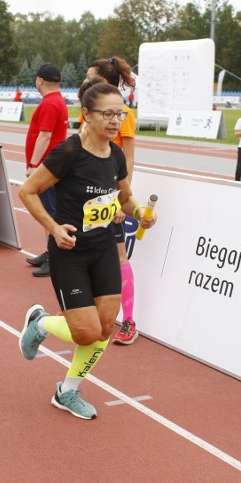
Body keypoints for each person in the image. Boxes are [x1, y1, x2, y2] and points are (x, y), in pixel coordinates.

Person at [18, 79, 157, 419]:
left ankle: (68, 391)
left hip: (104, 248)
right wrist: (53, 227)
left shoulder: (116, 156)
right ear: (86, 116)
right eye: (107, 113)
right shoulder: (69, 153)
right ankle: (39, 324)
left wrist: (138, 212)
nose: (115, 120)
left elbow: (124, 197)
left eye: (120, 114)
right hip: (71, 253)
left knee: (106, 328)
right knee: (86, 333)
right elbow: (28, 192)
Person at [85, 56, 140, 344]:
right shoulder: (90, 113)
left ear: (104, 81)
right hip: (88, 199)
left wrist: (121, 199)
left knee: (119, 257)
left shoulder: (124, 115)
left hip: (112, 196)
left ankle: (128, 321)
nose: (86, 81)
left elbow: (128, 159)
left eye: (91, 78)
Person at [24, 63, 69, 277]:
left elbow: (45, 135)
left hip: (46, 166)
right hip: (51, 164)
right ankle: (50, 252)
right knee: (49, 210)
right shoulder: (57, 101)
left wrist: (33, 165)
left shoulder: (50, 104)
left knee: (48, 213)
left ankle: (54, 258)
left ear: (40, 81)